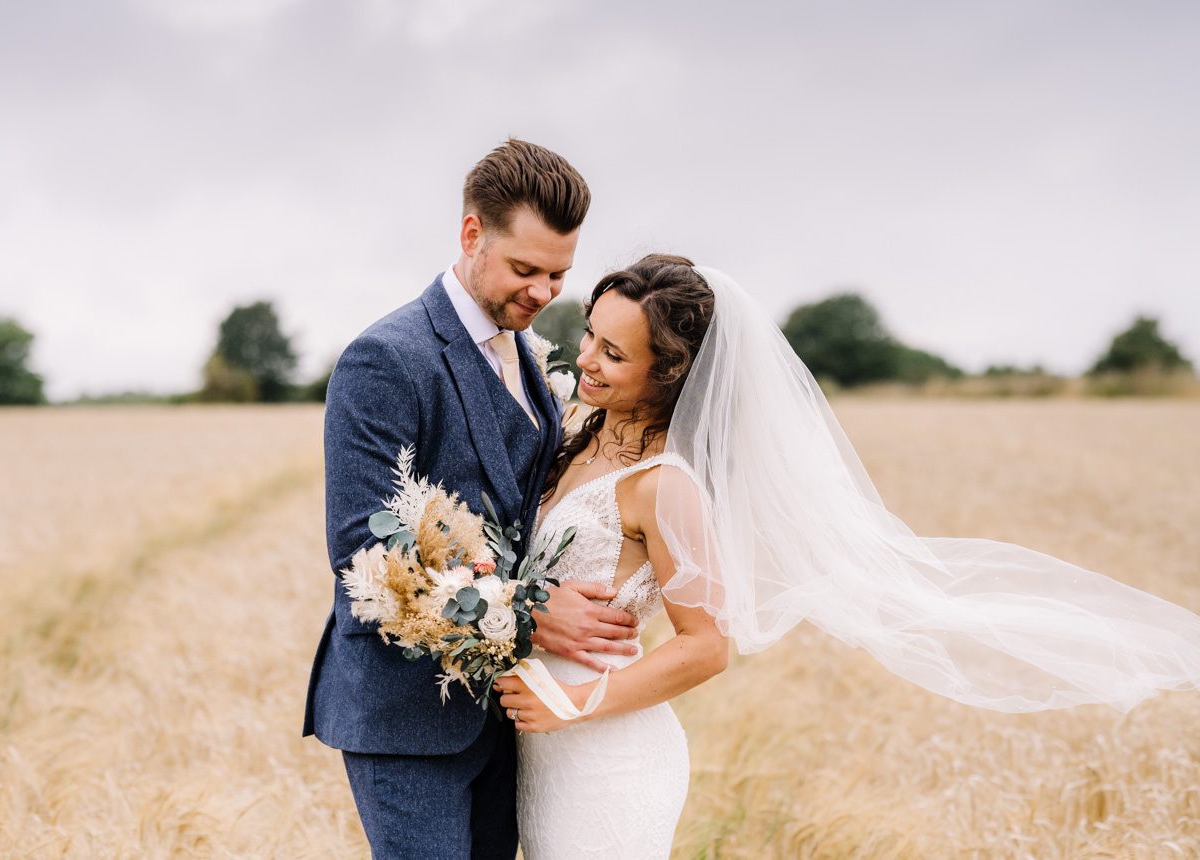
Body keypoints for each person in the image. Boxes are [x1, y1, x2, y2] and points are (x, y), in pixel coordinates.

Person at [494, 253, 1200, 859]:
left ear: (670, 373)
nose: (585, 359)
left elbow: (708, 647)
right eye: (591, 335)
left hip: (604, 754)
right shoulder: (574, 431)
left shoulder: (666, 486)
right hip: (541, 744)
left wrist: (576, 704)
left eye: (613, 354)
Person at [301, 139, 641, 859]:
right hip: (404, 715)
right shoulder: (385, 358)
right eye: (525, 269)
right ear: (470, 234)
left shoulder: (525, 352)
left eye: (558, 274)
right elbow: (363, 547)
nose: (545, 293)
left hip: (510, 715)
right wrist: (528, 612)